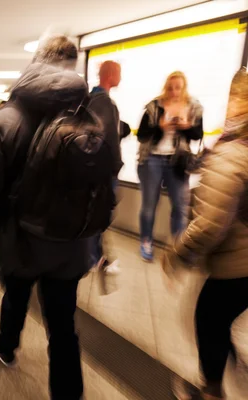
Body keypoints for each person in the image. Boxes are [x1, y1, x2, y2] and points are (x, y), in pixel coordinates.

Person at [0, 35, 109, 400]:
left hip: (20, 240)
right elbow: (101, 185)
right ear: (71, 68)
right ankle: (67, 393)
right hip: (71, 242)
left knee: (15, 296)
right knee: (63, 325)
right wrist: (97, 242)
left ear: (35, 63)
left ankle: (7, 345)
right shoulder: (91, 116)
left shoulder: (7, 119)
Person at [163, 68, 248, 400]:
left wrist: (177, 254)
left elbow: (211, 224)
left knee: (207, 319)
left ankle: (212, 391)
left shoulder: (232, 153)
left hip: (237, 263)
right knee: (220, 319)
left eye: (235, 97)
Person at [137, 71, 204, 262]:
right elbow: (142, 135)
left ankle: (178, 246)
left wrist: (186, 126)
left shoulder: (193, 106)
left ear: (184, 88)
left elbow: (197, 134)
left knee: (180, 206)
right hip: (152, 159)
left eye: (178, 87)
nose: (174, 91)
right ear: (166, 87)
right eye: (171, 87)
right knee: (149, 205)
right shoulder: (154, 106)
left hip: (178, 162)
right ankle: (146, 241)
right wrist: (160, 126)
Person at [88, 61, 123, 272]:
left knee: (96, 213)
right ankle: (93, 257)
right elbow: (108, 141)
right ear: (110, 75)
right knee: (100, 213)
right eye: (119, 73)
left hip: (94, 169)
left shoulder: (92, 101)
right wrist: (115, 167)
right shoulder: (105, 104)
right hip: (102, 171)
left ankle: (96, 255)